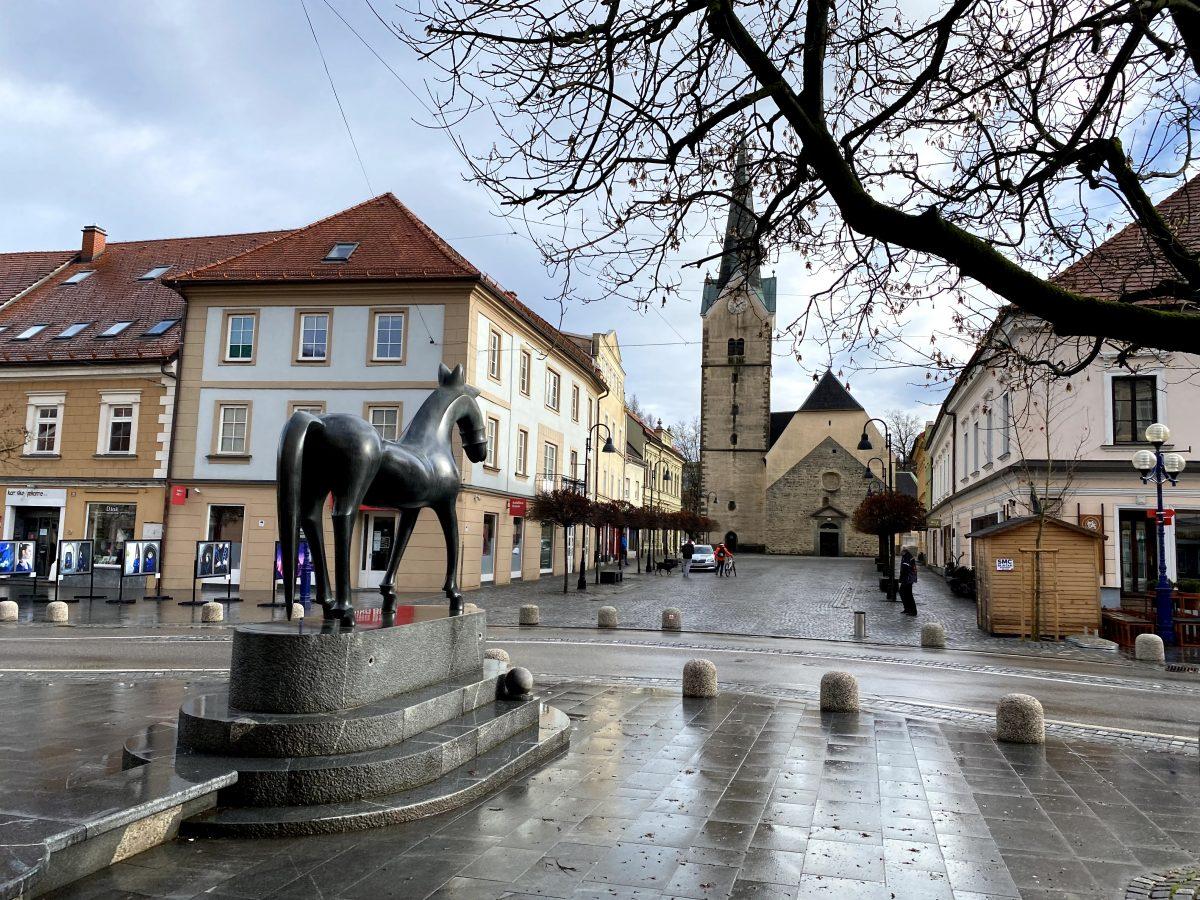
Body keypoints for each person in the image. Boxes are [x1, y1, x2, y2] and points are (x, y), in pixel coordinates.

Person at [899, 548, 919, 615]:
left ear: (904, 551)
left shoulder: (907, 557)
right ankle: (907, 609)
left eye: (901, 551)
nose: (900, 552)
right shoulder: (906, 556)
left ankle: (913, 611)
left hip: (908, 578)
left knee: (908, 594)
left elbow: (905, 568)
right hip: (906, 578)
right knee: (903, 592)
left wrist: (902, 577)